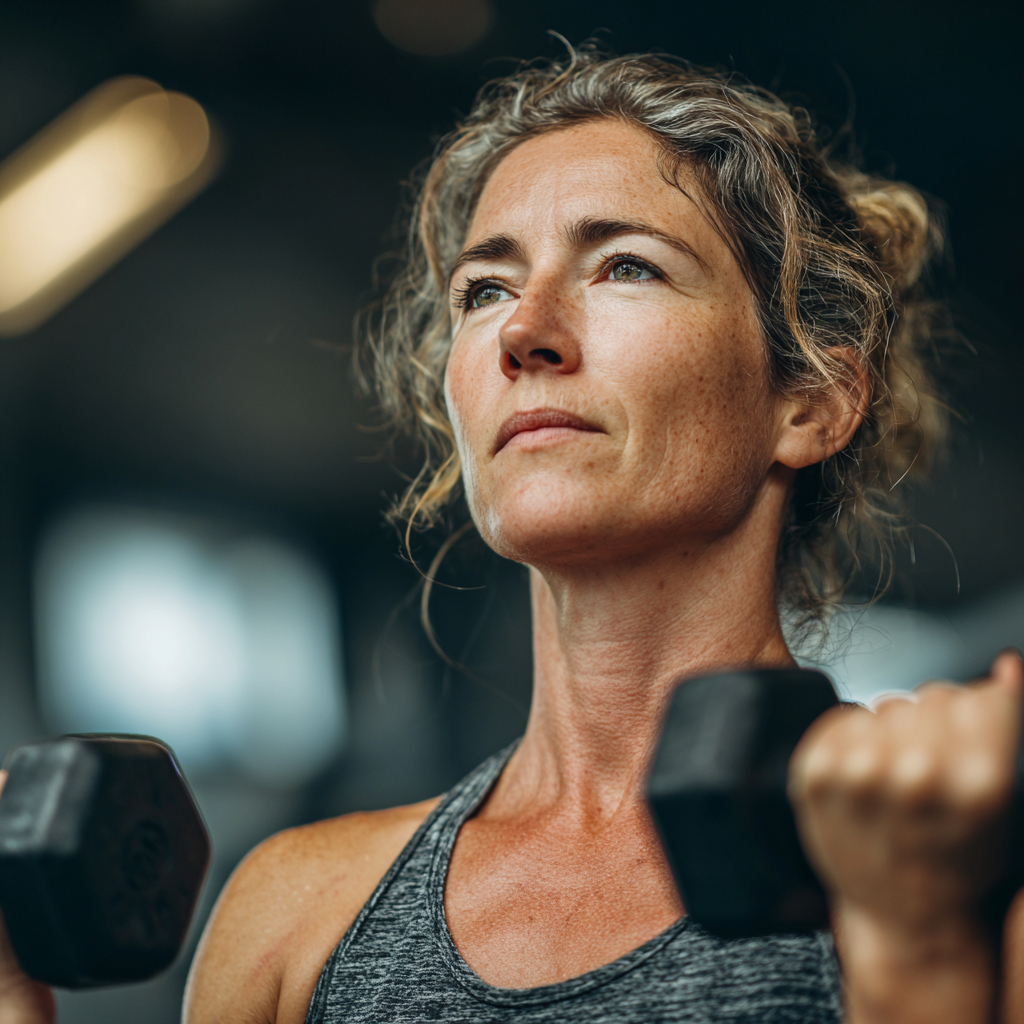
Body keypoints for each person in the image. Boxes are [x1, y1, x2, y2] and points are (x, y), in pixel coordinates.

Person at [2, 44, 1022, 1024]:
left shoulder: (960, 869)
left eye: (626, 267)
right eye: (484, 290)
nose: (524, 331)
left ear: (812, 401)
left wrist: (917, 949)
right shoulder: (293, 913)